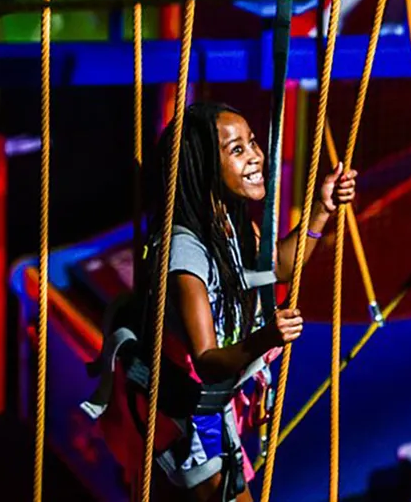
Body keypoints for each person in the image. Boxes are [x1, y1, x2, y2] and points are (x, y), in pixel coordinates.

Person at [82, 101, 357, 502]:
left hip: (212, 411)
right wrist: (266, 338)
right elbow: (208, 361)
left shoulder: (229, 223)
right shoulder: (185, 254)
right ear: (204, 166)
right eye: (237, 149)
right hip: (188, 419)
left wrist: (320, 209)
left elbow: (277, 267)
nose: (256, 156)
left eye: (252, 143)